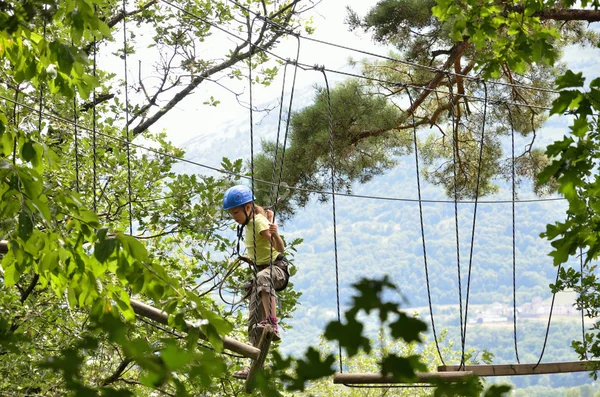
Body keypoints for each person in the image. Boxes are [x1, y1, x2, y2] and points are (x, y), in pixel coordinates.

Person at [223, 185, 289, 378]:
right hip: (262, 273)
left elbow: (280, 248)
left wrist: (274, 232)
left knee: (262, 277)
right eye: (231, 213)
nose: (233, 216)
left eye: (236, 212)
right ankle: (253, 365)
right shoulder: (248, 224)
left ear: (248, 208)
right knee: (253, 321)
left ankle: (272, 322)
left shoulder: (258, 222)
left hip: (277, 270)